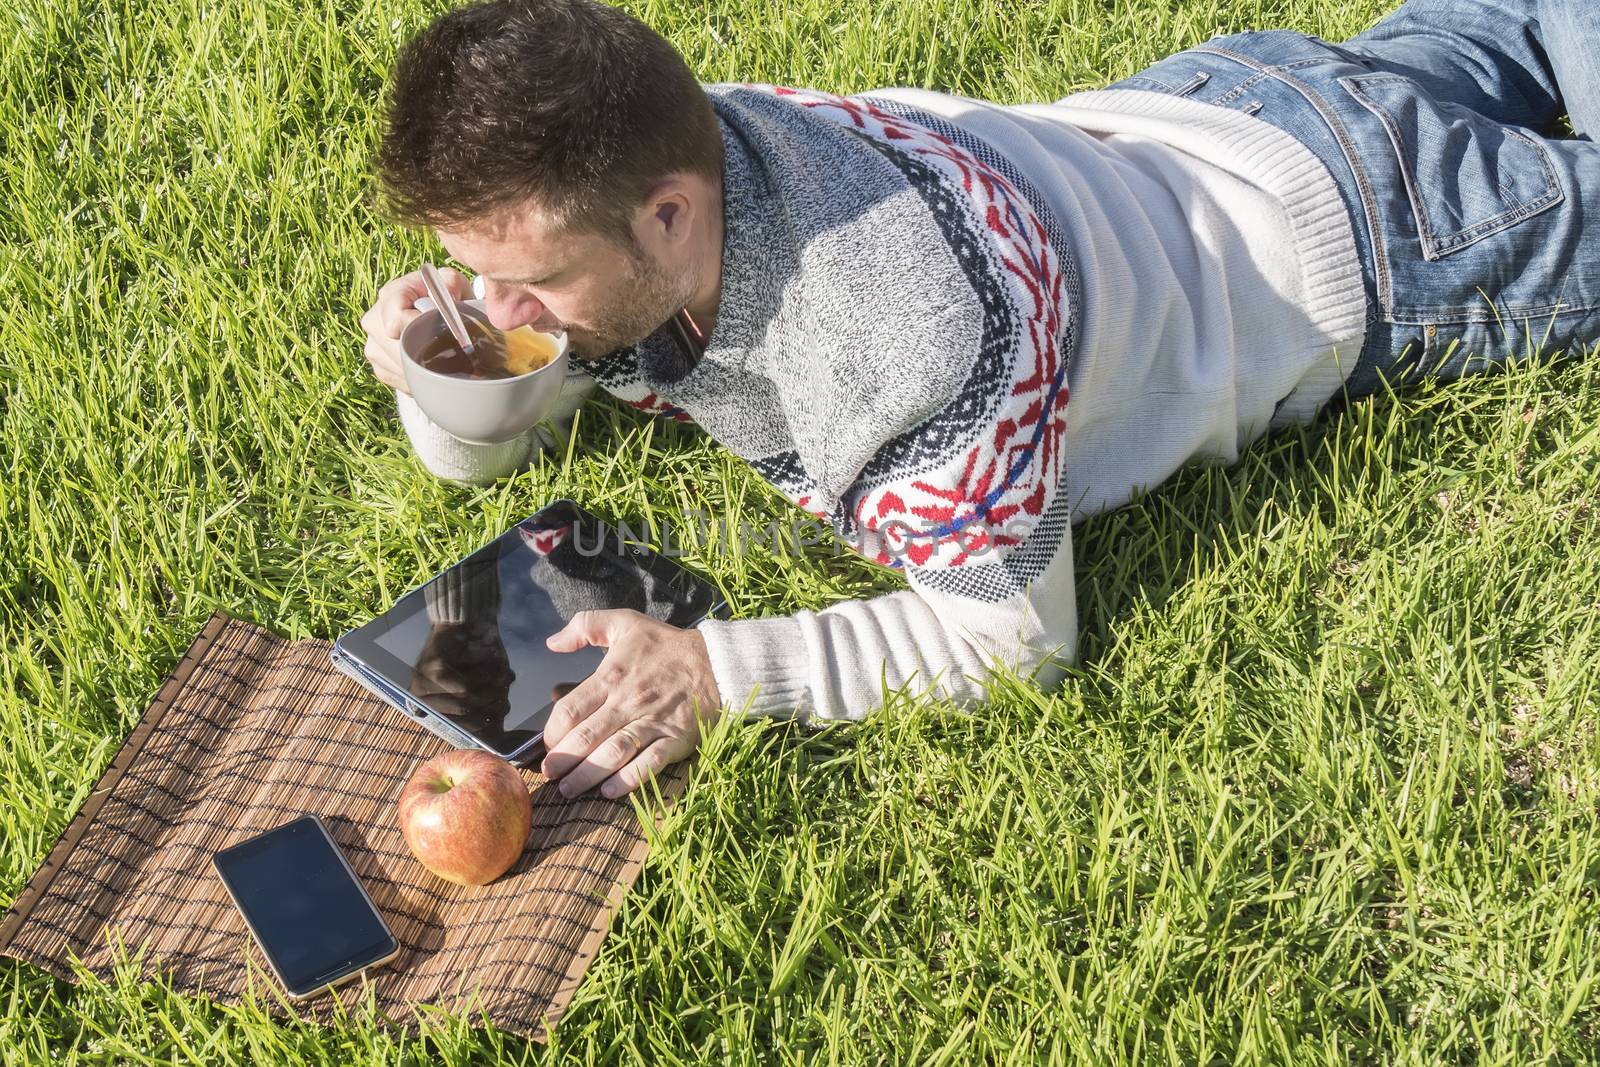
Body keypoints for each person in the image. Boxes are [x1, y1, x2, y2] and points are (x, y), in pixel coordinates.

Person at [358, 0, 1599, 800]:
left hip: (1376, 230)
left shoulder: (905, 343)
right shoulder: (675, 172)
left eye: (524, 281)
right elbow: (500, 427)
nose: (501, 307)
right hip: (1223, 102)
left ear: (666, 215)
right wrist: (443, 368)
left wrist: (716, 672)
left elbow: (1015, 644)